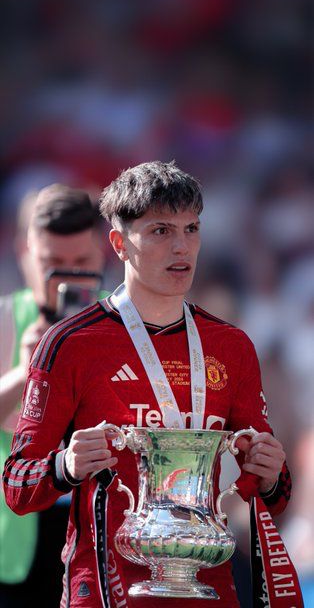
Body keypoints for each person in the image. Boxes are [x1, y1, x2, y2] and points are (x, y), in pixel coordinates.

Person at [2, 162, 297, 608]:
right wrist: (66, 464)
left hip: (208, 589)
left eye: (191, 228)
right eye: (161, 231)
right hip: (104, 592)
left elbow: (273, 499)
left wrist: (272, 474)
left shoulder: (231, 346)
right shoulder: (67, 343)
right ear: (119, 244)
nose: (182, 247)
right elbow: (17, 487)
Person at [0, 183, 106, 607]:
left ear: (105, 252)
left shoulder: (124, 322)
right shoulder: (7, 318)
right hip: (16, 536)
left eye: (81, 262)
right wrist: (24, 373)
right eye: (52, 264)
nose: (66, 277)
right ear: (24, 252)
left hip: (96, 530)